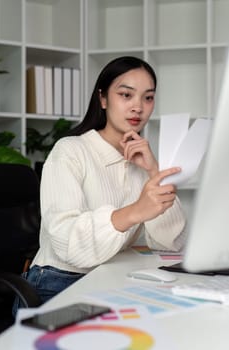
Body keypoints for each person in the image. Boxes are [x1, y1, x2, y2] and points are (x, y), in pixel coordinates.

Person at [15, 56, 186, 309]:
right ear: (103, 99)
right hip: (58, 282)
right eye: (126, 95)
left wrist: (153, 171)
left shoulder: (141, 161)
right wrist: (134, 211)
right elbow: (68, 243)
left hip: (112, 276)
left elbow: (171, 243)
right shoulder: (69, 151)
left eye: (147, 97)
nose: (138, 106)